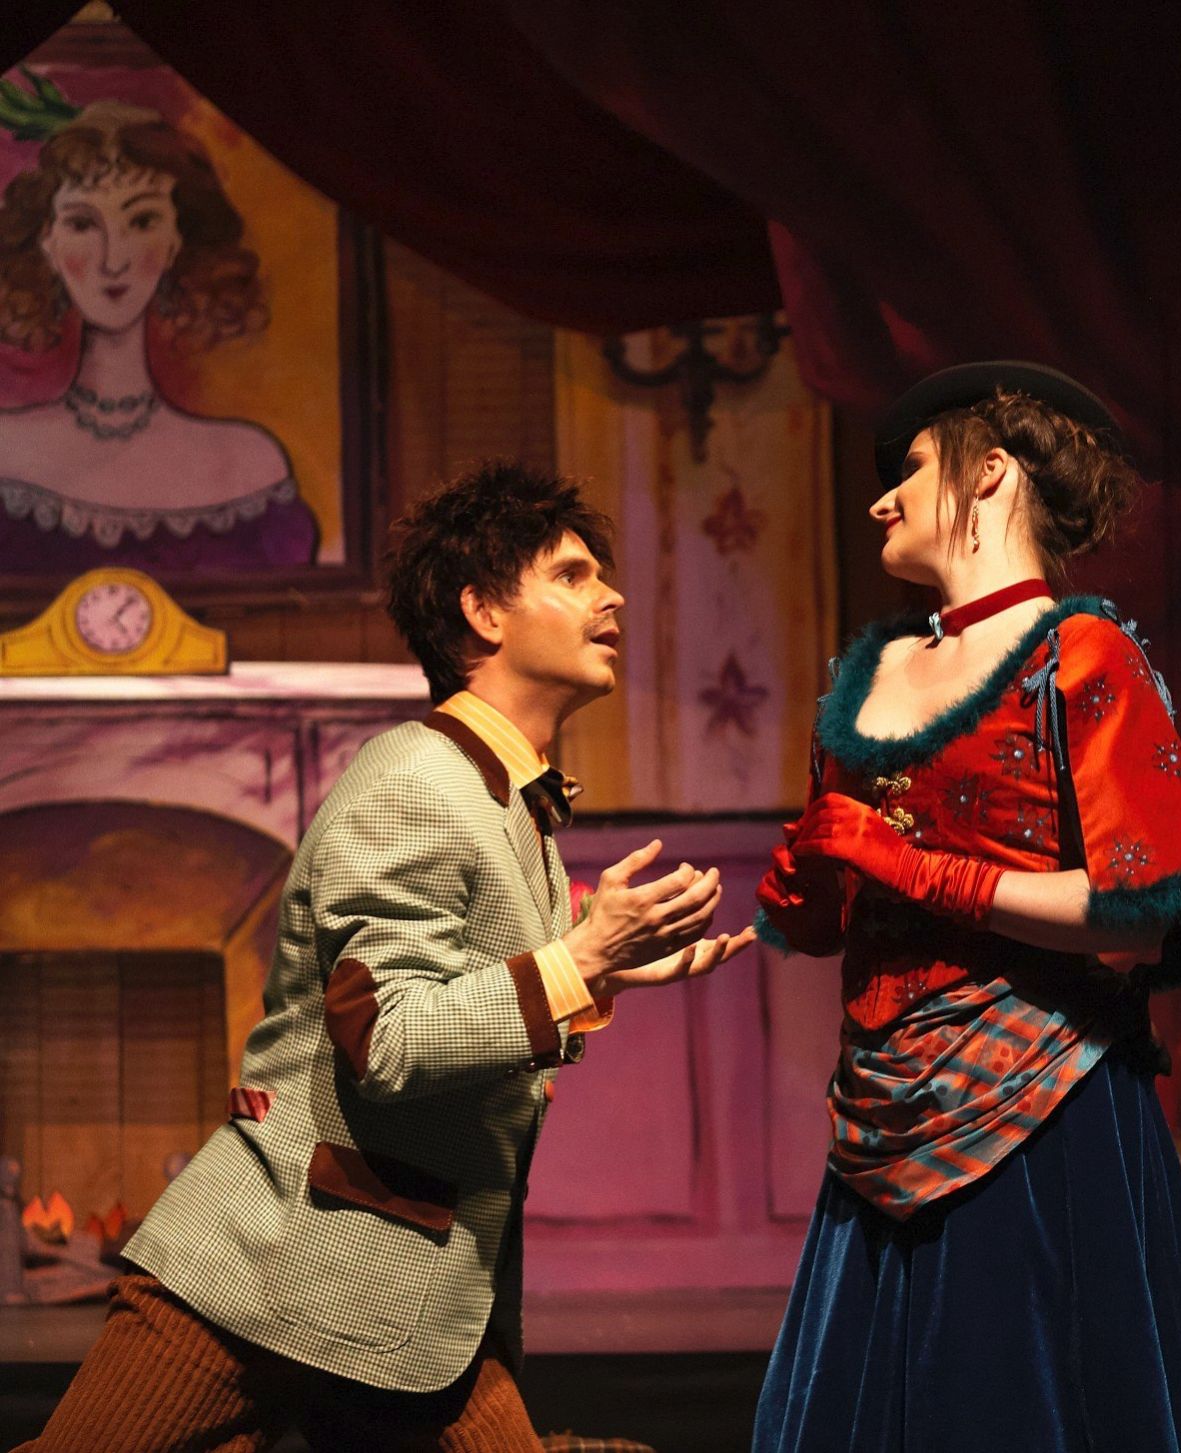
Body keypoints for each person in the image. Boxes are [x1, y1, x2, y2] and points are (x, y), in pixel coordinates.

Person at [19, 462, 755, 1451]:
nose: (611, 596)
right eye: (572, 574)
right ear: (483, 612)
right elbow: (388, 1041)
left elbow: (461, 1004)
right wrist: (572, 964)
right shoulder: (420, 778)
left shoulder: (507, 801)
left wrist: (592, 974)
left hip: (395, 1292)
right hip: (276, 1269)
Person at [751, 362, 1181, 1451]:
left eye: (909, 469)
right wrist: (810, 882)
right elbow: (826, 910)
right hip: (877, 1113)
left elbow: (1143, 909)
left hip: (1040, 1103)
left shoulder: (1079, 654)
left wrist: (921, 871)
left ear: (988, 473)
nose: (880, 501)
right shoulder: (868, 670)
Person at [0, 93, 314, 574]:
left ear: (176, 242)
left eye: (142, 220)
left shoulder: (252, 466)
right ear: (47, 243)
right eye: (83, 223)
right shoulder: (7, 451)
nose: (114, 260)